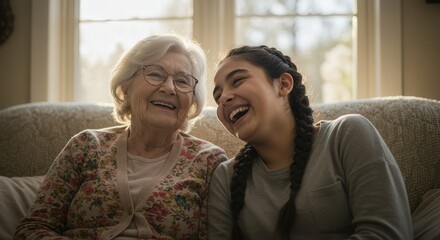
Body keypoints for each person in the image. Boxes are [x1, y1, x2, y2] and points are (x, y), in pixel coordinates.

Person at [14, 34, 228, 239]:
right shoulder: (86, 146)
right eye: (155, 74)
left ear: (192, 101)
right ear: (126, 88)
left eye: (182, 81)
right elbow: (33, 228)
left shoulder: (209, 161)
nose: (169, 88)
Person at [208, 45, 412, 239]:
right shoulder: (225, 178)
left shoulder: (347, 134)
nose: (224, 97)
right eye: (217, 97)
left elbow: (386, 235)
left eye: (238, 80)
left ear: (284, 84)